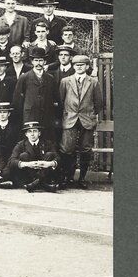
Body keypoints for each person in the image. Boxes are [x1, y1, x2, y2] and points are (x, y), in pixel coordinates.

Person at [57, 54, 104, 188]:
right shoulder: (65, 81)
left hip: (86, 119)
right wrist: (67, 113)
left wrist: (89, 114)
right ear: (73, 66)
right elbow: (61, 100)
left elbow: (99, 103)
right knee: (67, 149)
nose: (79, 67)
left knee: (85, 149)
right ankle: (67, 177)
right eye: (76, 65)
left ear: (87, 66)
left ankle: (82, 178)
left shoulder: (93, 82)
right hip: (70, 119)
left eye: (82, 65)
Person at [12, 47, 60, 142]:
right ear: (32, 62)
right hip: (30, 115)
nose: (38, 63)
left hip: (46, 115)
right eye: (36, 60)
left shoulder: (50, 78)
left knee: (46, 140)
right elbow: (17, 99)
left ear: (45, 62)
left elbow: (56, 98)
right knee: (30, 140)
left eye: (41, 60)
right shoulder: (24, 78)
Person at [5, 121, 60, 192]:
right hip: (28, 177)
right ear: (26, 134)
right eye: (29, 131)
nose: (32, 134)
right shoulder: (21, 145)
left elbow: (58, 157)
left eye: (35, 131)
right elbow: (11, 161)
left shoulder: (47, 143)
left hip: (45, 173)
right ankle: (43, 184)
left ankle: (37, 183)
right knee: (24, 155)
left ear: (39, 133)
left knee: (49, 154)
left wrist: (49, 164)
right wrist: (27, 164)